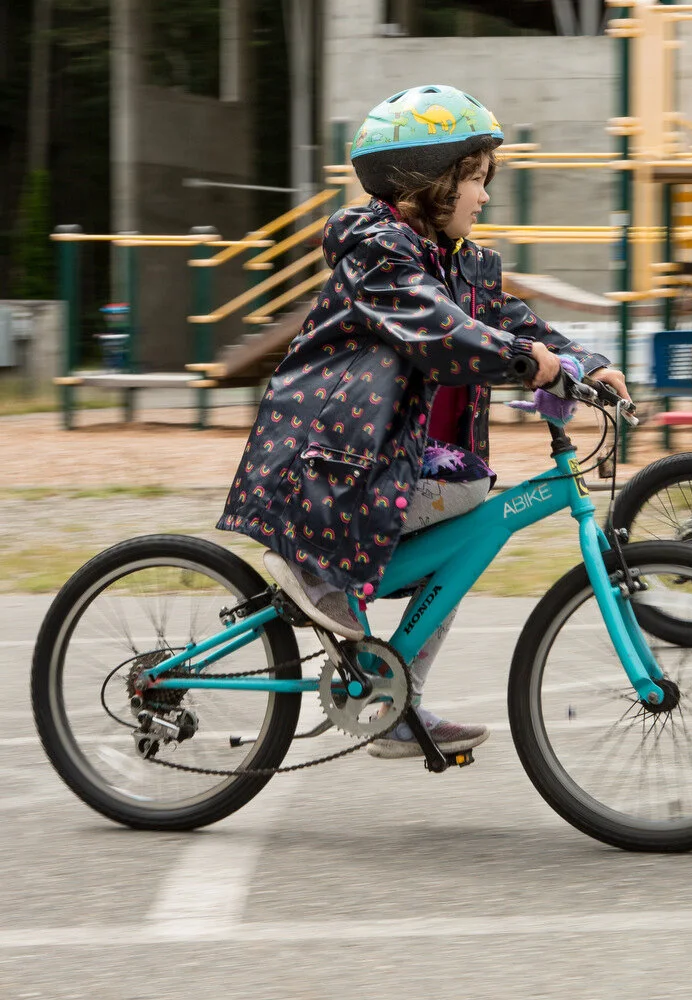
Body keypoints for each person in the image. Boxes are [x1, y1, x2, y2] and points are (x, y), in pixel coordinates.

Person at [217, 85, 630, 758]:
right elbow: (441, 332)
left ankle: (393, 698)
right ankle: (315, 566)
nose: (483, 196)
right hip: (327, 464)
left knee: (468, 538)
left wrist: (587, 362)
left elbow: (513, 323)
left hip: (390, 459)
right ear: (430, 181)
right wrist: (534, 365)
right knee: (470, 505)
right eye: (473, 178)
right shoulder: (378, 253)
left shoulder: (461, 263)